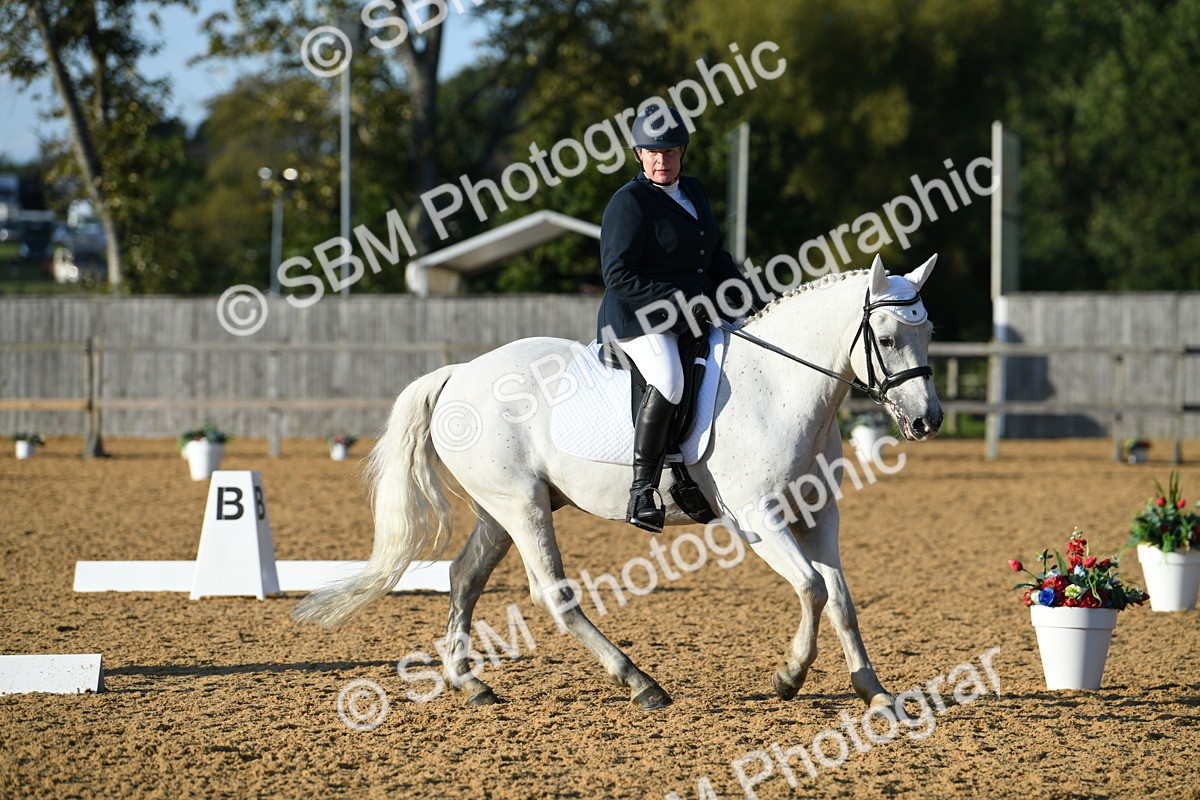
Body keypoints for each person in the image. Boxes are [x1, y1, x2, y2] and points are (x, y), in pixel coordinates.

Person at [596, 105, 764, 532]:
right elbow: (618, 277)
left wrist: (748, 297)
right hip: (638, 318)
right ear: (637, 154)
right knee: (669, 379)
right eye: (651, 152)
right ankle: (642, 490)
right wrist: (684, 299)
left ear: (682, 151)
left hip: (694, 313)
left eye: (669, 151)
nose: (661, 160)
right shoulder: (628, 203)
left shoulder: (694, 191)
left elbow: (715, 257)